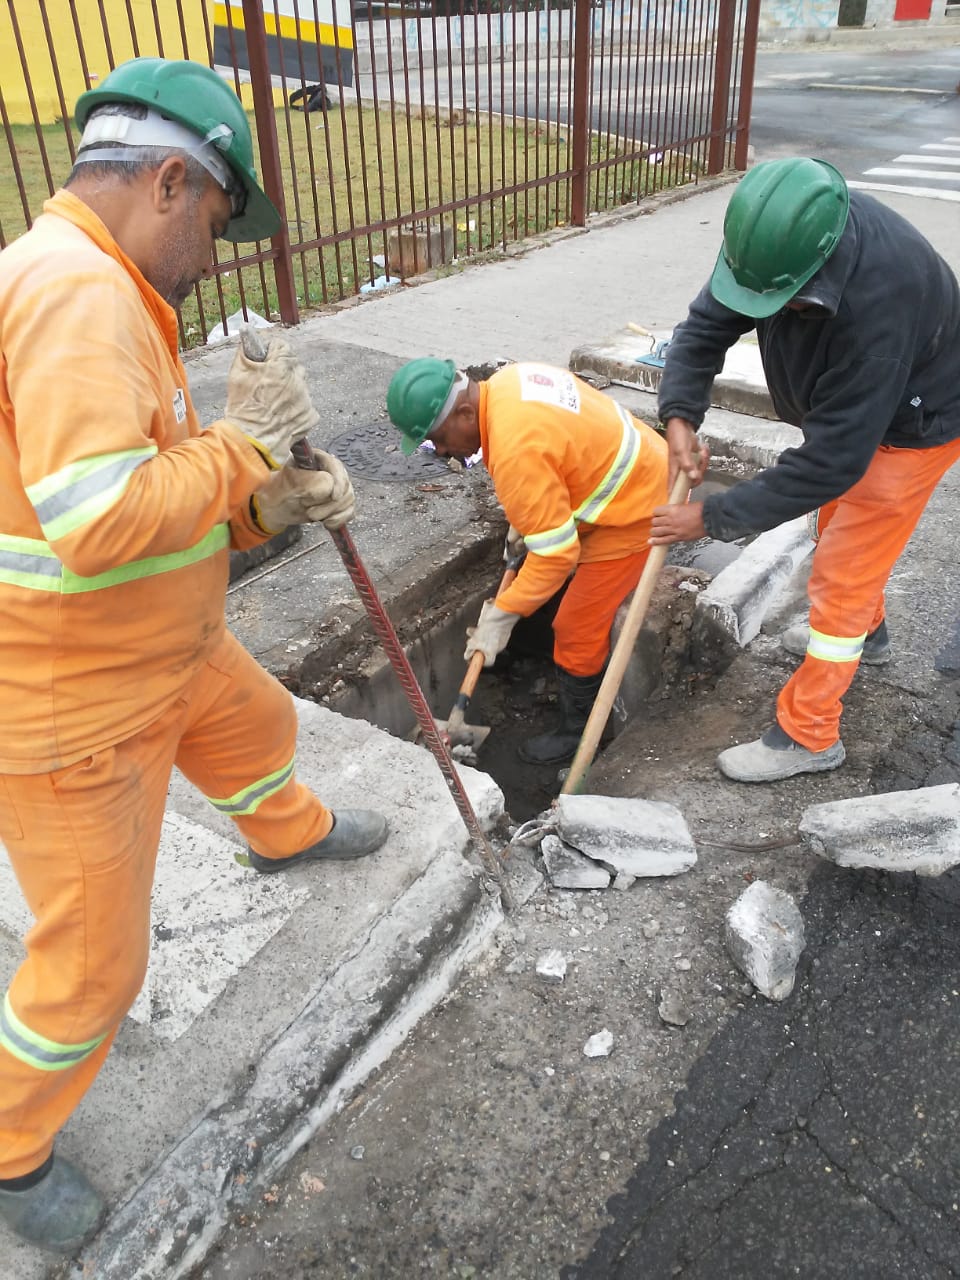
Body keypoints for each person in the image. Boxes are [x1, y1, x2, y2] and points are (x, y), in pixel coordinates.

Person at [0, 57, 389, 1254]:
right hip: (75, 704)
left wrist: (258, 508)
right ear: (171, 179)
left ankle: (287, 830)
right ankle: (11, 1150)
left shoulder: (111, 283)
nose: (216, 253)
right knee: (96, 967)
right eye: (218, 221)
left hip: (160, 645)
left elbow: (152, 487)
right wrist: (240, 446)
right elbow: (100, 516)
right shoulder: (77, 293)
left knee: (259, 727)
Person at [649, 156, 960, 783]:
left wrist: (712, 516)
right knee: (832, 526)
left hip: (917, 425)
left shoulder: (880, 301)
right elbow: (706, 327)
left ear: (816, 268)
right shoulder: (768, 244)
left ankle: (809, 735)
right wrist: (680, 415)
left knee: (846, 571)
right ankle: (866, 639)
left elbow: (834, 461)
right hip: (855, 412)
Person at [386, 358, 668, 764]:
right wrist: (529, 520)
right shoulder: (507, 382)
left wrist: (502, 615)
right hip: (636, 466)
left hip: (639, 511)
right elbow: (555, 454)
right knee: (547, 580)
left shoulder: (514, 450)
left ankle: (580, 733)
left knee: (573, 628)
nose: (443, 451)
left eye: (439, 438)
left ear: (466, 413)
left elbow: (556, 555)